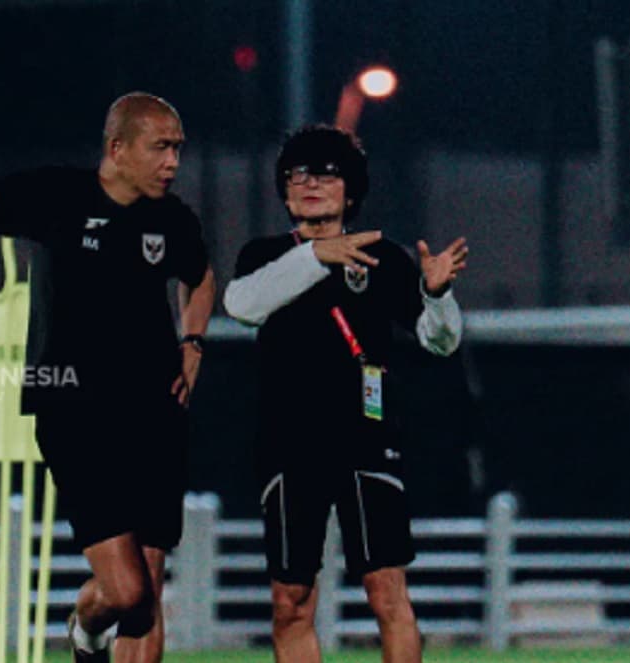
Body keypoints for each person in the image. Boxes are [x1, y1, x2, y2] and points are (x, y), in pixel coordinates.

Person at [0, 92, 216, 663]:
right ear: (117, 148)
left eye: (177, 149)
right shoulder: (56, 194)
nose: (172, 162)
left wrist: (193, 342)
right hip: (74, 413)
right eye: (160, 148)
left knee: (147, 591)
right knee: (126, 593)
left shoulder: (173, 218)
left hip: (157, 408)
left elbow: (200, 279)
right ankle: (85, 627)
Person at [223, 124, 467, 663]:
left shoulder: (386, 258)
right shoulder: (264, 255)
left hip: (367, 439)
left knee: (387, 593)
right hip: (288, 443)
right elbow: (241, 305)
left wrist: (438, 294)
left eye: (326, 174)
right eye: (298, 175)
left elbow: (440, 341)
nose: (310, 183)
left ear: (350, 191)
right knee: (291, 600)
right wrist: (316, 256)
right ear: (284, 192)